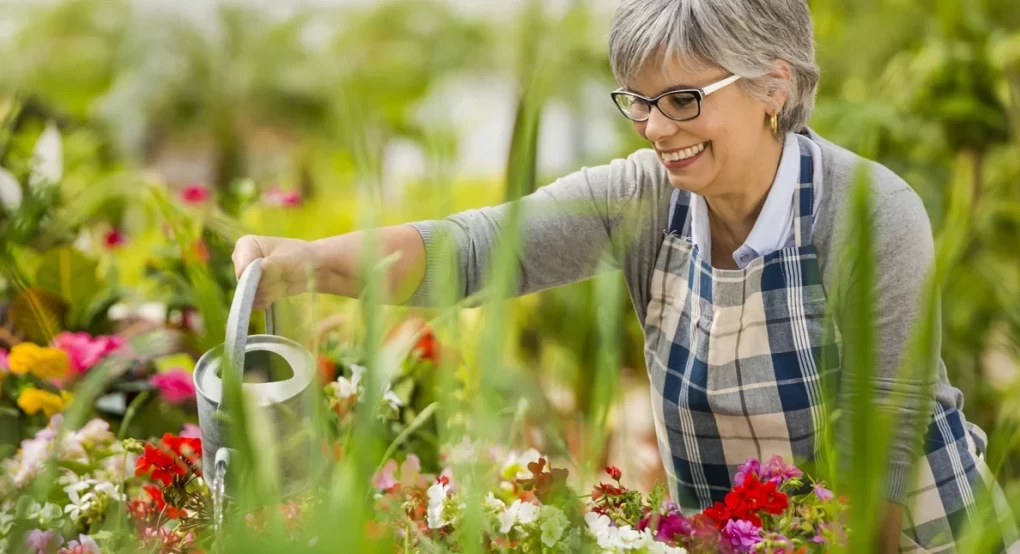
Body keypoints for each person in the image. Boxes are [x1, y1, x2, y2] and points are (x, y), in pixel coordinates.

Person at [231, 0, 1017, 550]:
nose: (656, 129)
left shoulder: (868, 210)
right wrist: (306, 265)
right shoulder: (642, 198)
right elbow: (472, 250)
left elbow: (882, 436)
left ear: (773, 87)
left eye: (683, 99)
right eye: (639, 102)